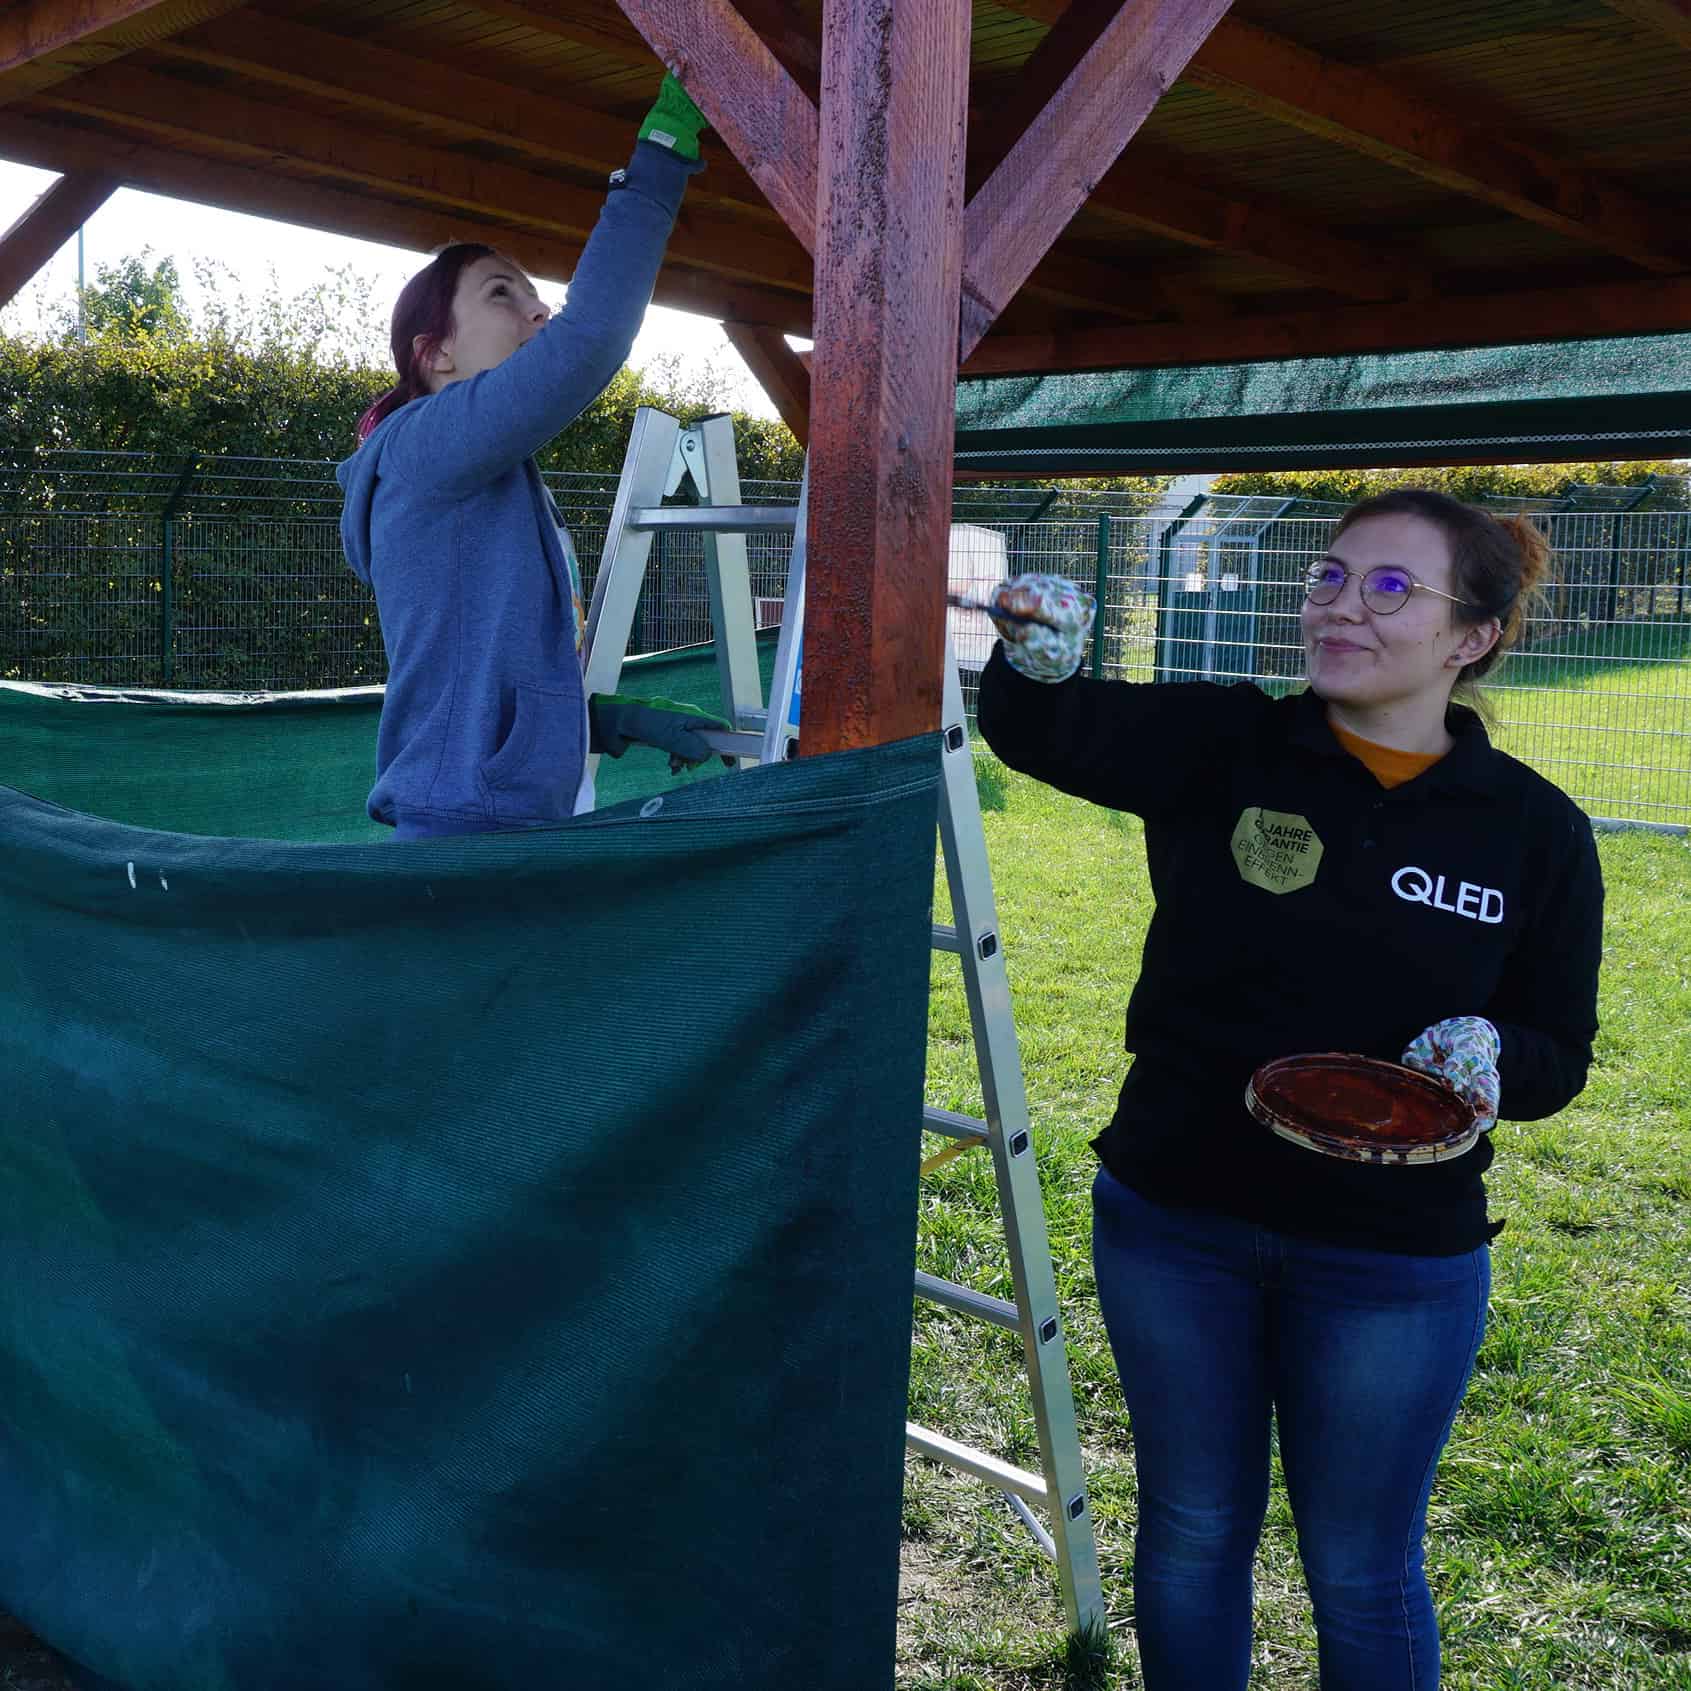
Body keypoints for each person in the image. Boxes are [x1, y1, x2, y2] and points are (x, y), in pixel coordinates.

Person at [976, 491, 1604, 1691]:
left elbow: (1557, 1052)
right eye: (1327, 575)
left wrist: (1493, 1056)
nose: (1337, 606)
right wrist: (1034, 656)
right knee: (1195, 1529)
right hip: (1178, 1216)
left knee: (1362, 1566)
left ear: (1468, 637)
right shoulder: (1228, 745)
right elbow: (1051, 729)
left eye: (1386, 587)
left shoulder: (1532, 833)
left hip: (1392, 1257)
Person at [337, 73, 726, 840]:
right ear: (435, 353)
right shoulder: (424, 444)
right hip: (469, 832)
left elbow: (482, 670)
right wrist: (657, 162)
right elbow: (589, 340)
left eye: (530, 292)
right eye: (500, 294)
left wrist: (604, 720)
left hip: (492, 816)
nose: (536, 309)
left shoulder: (472, 469)